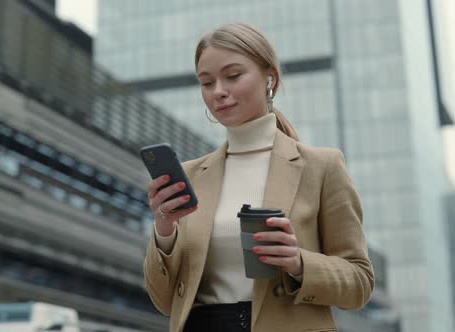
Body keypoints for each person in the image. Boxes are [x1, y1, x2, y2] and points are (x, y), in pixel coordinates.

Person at [143, 23, 374, 332]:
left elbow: (360, 283)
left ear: (270, 78)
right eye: (206, 82)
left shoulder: (321, 166)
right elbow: (163, 301)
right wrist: (164, 230)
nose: (218, 91)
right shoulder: (192, 175)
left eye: (233, 76)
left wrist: (299, 263)